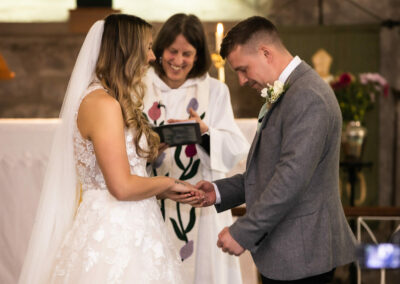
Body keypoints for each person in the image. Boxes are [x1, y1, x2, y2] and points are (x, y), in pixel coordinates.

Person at [18, 14, 201, 284]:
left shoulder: (107, 98)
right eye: (147, 47)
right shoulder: (102, 103)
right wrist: (167, 183)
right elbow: (121, 187)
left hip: (132, 223)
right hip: (113, 230)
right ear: (127, 51)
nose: (152, 57)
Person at [194, 16, 357, 283]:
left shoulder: (307, 96)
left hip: (303, 254)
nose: (242, 80)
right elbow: (269, 171)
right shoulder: (290, 90)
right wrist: (220, 191)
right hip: (288, 251)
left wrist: (242, 232)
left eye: (244, 69)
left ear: (266, 52)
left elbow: (290, 179)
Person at [143, 13, 249, 284]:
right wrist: (149, 145)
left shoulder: (214, 91)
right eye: (172, 51)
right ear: (160, 49)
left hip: (200, 199)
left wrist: (203, 133)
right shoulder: (140, 86)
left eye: (187, 54)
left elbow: (234, 148)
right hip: (150, 199)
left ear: (198, 55)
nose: (178, 61)